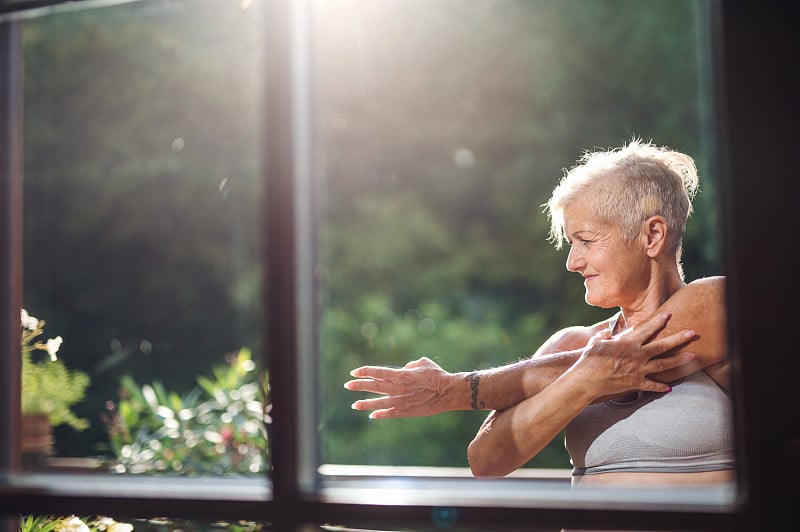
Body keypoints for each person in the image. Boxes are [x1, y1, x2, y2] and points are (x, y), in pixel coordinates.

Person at [345, 138, 733, 488]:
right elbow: (487, 460)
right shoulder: (573, 343)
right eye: (570, 243)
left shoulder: (717, 303)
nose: (572, 262)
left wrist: (452, 389)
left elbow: (626, 359)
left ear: (652, 235)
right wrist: (584, 380)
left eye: (586, 240)